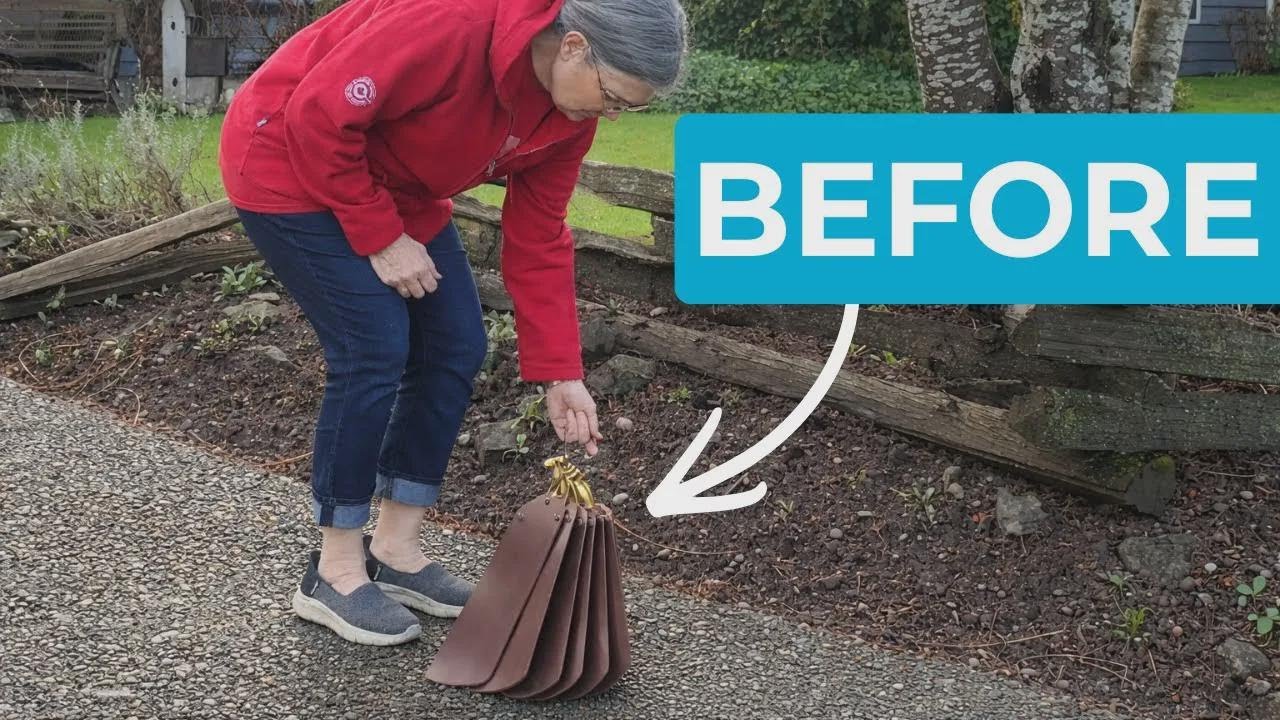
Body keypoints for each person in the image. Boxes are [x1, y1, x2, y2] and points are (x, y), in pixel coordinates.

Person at [218, 0, 687, 646]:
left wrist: (561, 373)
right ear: (574, 46)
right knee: (373, 343)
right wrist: (381, 236)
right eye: (612, 96)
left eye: (628, 109)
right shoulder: (452, 23)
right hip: (284, 155)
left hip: (394, 184)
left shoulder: (567, 116)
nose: (609, 115)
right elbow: (319, 116)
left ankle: (396, 551)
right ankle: (333, 569)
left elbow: (539, 235)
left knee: (456, 342)